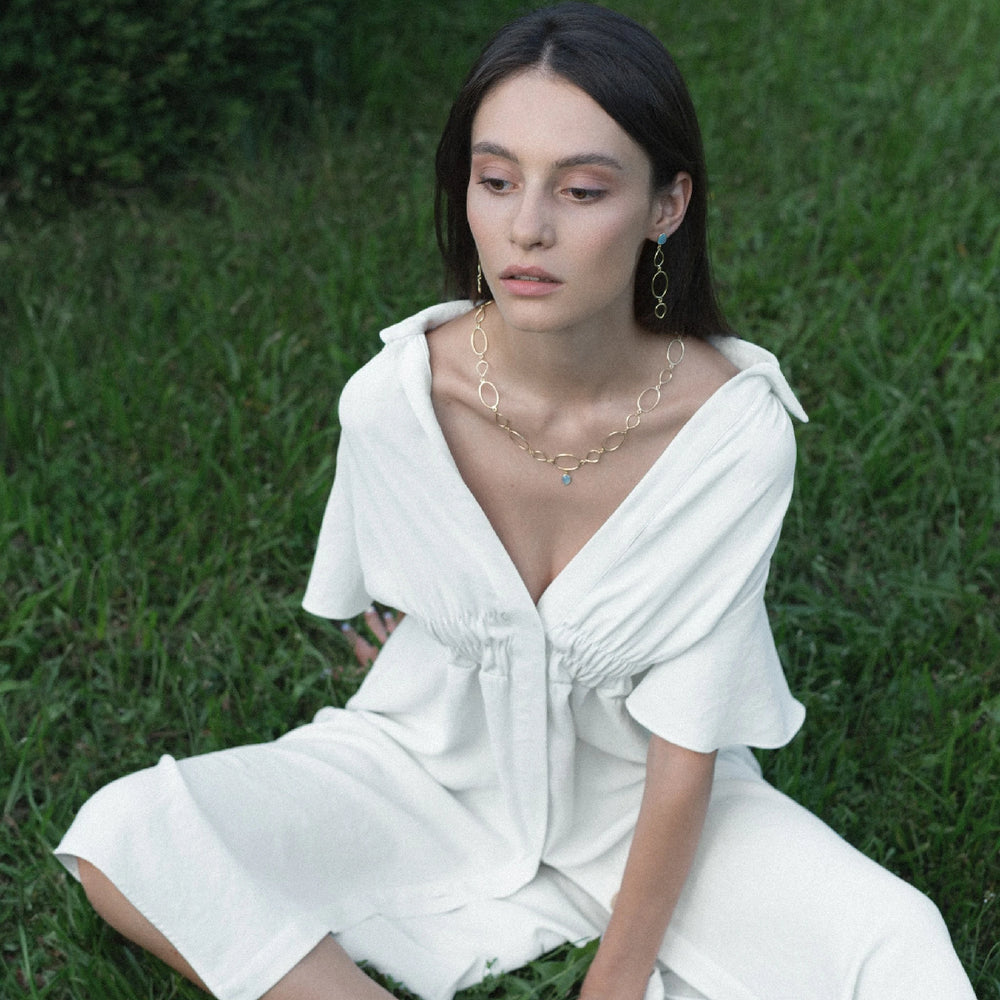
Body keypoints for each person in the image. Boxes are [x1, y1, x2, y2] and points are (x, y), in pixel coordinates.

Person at [56, 5, 977, 1000]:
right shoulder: (395, 403)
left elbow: (686, 741)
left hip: (644, 805)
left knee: (897, 943)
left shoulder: (731, 433)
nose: (526, 227)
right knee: (127, 829)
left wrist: (611, 985)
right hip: (425, 771)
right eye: (495, 182)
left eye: (581, 190)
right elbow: (393, 602)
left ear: (667, 205)